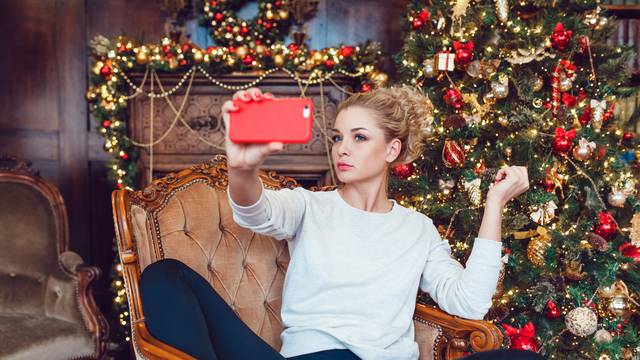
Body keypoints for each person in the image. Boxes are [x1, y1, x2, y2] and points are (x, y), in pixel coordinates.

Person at [139, 86, 540, 360]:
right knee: (164, 275)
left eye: (359, 137)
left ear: (392, 149)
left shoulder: (417, 229)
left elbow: (468, 302)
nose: (342, 148)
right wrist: (243, 169)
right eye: (337, 137)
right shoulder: (310, 207)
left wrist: (495, 204)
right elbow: (254, 211)